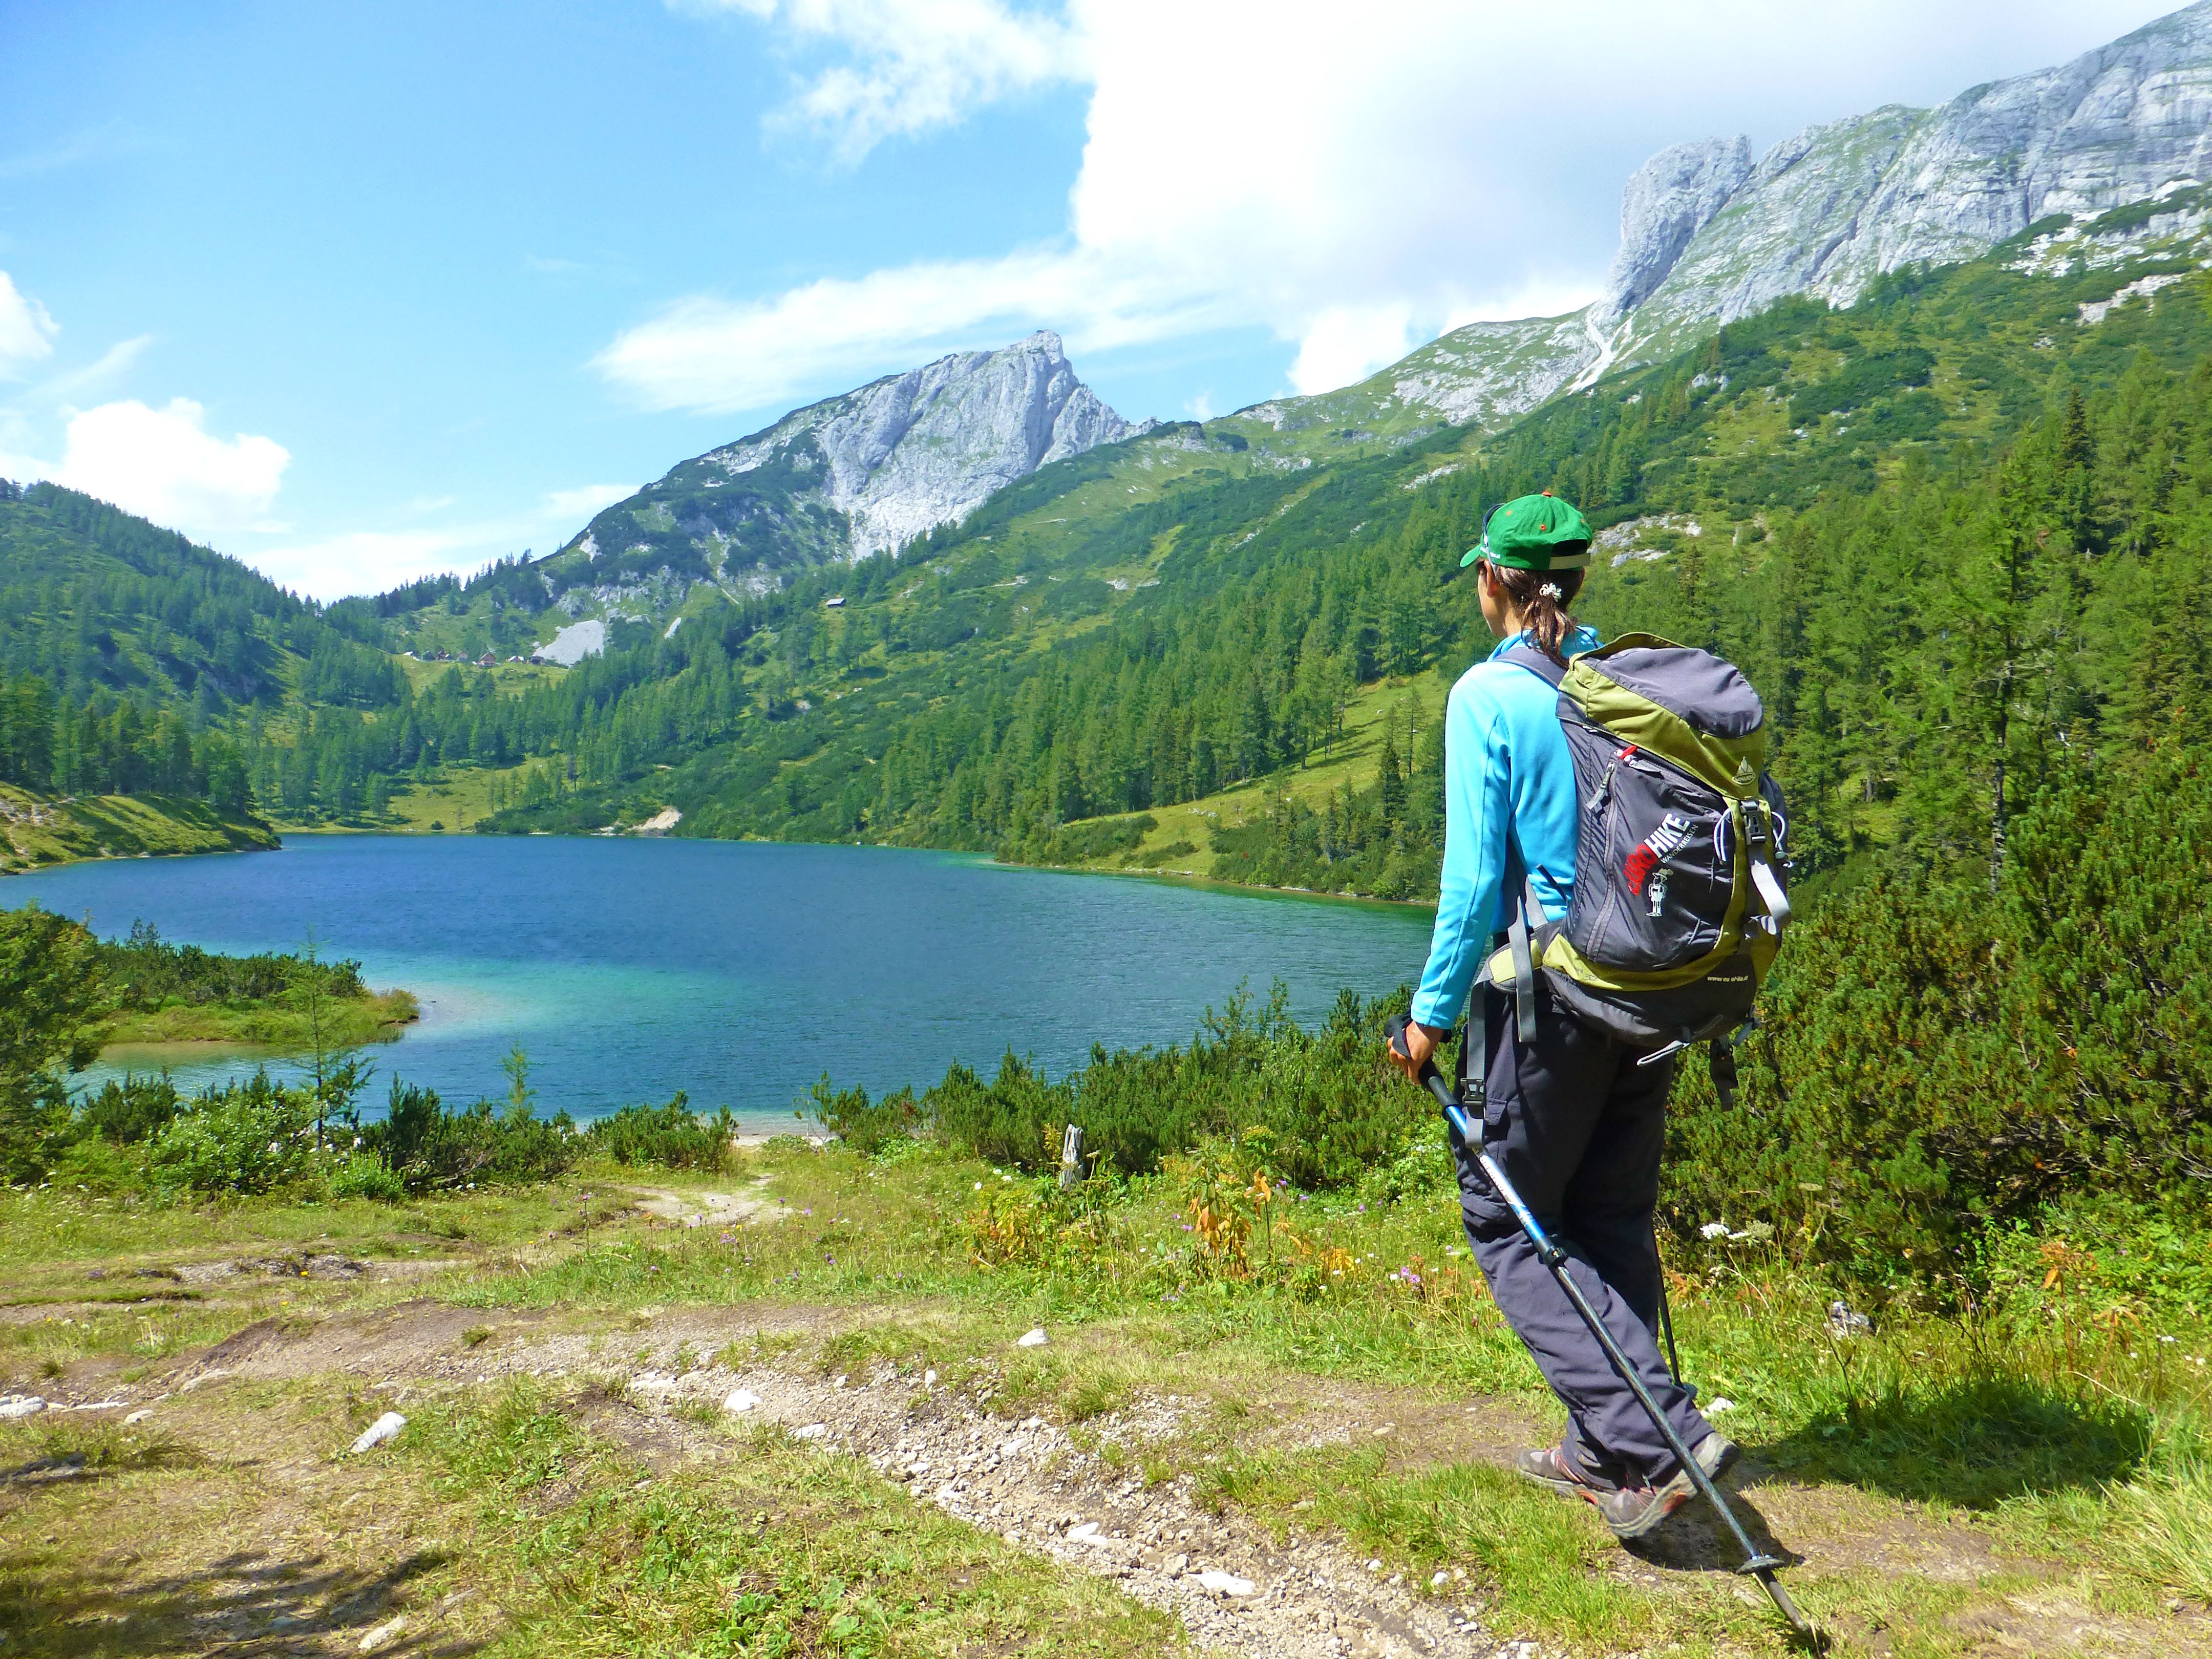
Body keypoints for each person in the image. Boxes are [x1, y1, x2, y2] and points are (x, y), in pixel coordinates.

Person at [1386, 490, 1734, 1540]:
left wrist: (1429, 1017)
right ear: (1574, 583)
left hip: (1553, 999)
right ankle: (1604, 1443)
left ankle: (1653, 1435)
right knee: (1609, 1215)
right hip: (1651, 989)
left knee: (1507, 1215)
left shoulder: (1488, 699)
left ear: (1492, 581)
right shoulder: (1620, 680)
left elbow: (1469, 889)